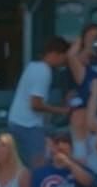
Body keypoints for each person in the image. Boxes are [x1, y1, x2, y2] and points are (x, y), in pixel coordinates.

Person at [8, 37, 71, 167]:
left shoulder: (33, 66)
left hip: (18, 122)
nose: (64, 62)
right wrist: (62, 110)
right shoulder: (44, 71)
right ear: (55, 54)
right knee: (38, 165)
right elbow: (35, 104)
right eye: (63, 57)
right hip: (27, 125)